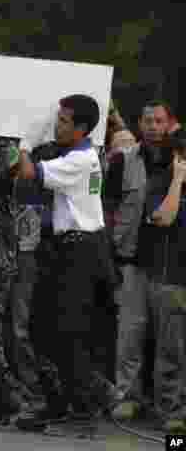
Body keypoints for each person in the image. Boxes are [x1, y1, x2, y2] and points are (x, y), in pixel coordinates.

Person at [13, 94, 106, 437]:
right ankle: (59, 403)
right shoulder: (76, 153)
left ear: (82, 128)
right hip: (65, 249)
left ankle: (84, 413)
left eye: (64, 121)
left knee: (69, 334)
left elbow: (27, 174)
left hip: (81, 251)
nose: (57, 125)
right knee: (40, 327)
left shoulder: (81, 159)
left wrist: (25, 143)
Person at [108, 100, 176, 422]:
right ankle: (127, 397)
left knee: (168, 338)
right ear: (139, 124)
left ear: (169, 125)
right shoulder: (123, 160)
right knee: (129, 335)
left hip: (168, 262)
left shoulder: (178, 160)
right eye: (147, 120)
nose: (152, 127)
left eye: (159, 121)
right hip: (132, 259)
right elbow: (109, 207)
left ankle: (167, 404)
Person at [139, 127, 186, 433]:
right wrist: (178, 181)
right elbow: (164, 218)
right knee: (171, 351)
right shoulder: (159, 183)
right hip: (170, 279)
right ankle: (172, 417)